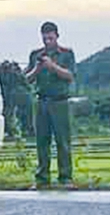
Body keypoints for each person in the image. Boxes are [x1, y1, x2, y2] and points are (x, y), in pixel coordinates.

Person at [26, 20, 76, 187]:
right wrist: (38, 68)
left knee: (63, 141)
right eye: (45, 38)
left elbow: (69, 75)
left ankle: (65, 177)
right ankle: (42, 178)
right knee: (42, 141)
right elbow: (26, 79)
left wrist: (52, 66)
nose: (48, 42)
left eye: (50, 38)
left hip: (60, 102)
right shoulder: (35, 55)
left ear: (57, 36)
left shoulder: (67, 54)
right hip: (41, 101)